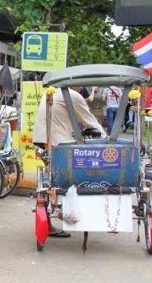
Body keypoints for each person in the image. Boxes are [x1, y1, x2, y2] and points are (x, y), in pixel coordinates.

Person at [33, 87, 105, 237]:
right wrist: (107, 140)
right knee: (70, 176)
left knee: (49, 181)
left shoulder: (52, 92)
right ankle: (64, 211)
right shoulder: (73, 95)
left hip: (41, 140)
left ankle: (49, 219)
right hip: (56, 143)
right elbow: (89, 121)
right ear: (77, 85)